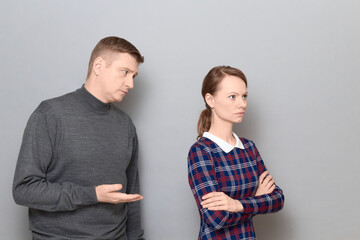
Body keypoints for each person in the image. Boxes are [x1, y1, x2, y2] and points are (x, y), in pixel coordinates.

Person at [13, 36, 145, 240]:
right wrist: (92, 195)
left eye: (134, 76)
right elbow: (24, 189)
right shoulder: (50, 114)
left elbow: (132, 194)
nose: (130, 84)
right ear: (99, 66)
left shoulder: (125, 125)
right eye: (125, 72)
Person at [187, 66, 285, 240]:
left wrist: (236, 205)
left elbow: (277, 199)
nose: (242, 104)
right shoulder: (201, 151)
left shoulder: (249, 147)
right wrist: (257, 200)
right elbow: (216, 219)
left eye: (244, 96)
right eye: (232, 96)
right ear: (210, 100)